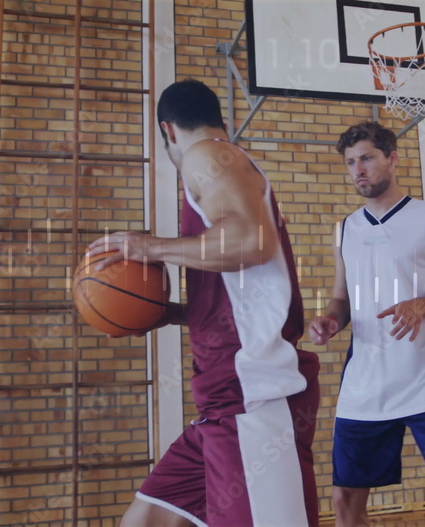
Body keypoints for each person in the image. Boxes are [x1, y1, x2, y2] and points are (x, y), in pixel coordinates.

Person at [88, 79, 320, 527]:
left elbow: (249, 243)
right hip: (222, 403)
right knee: (143, 522)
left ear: (168, 130)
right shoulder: (221, 164)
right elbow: (246, 286)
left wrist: (149, 247)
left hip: (252, 399)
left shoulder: (206, 155)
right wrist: (176, 313)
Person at [309, 121, 425, 527]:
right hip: (364, 383)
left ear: (392, 159)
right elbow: (341, 299)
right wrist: (329, 321)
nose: (359, 169)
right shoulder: (345, 230)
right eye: (351, 162)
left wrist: (421, 305)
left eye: (367, 159)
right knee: (343, 503)